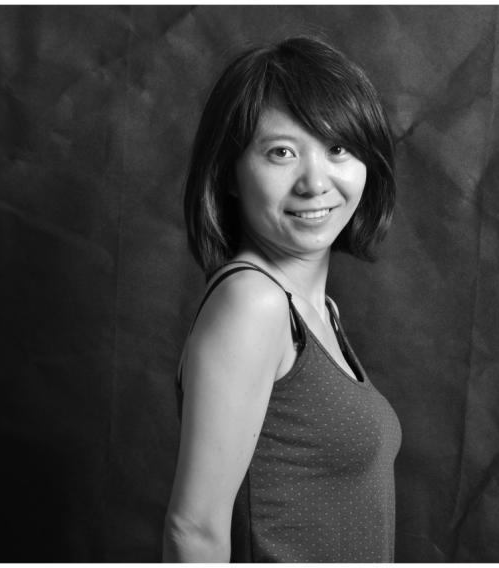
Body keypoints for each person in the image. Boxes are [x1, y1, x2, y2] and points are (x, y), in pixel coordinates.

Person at [162, 36, 401, 563]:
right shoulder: (254, 303)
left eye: (337, 147)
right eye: (281, 153)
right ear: (230, 173)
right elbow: (193, 529)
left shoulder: (318, 313)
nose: (315, 181)